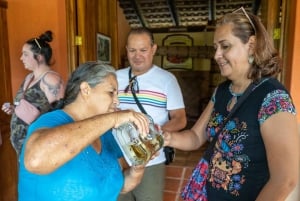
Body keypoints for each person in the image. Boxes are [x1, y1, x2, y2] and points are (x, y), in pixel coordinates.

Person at [163, 7, 299, 201]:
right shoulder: (222, 91)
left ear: (251, 45)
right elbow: (195, 136)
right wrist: (165, 138)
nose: (217, 55)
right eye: (215, 48)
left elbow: (285, 179)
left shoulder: (272, 97)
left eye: (225, 46)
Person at [18, 61, 152, 201]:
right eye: (111, 93)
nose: (117, 101)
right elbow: (35, 160)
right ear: (86, 89)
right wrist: (114, 118)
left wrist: (138, 167)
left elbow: (119, 185)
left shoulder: (106, 133)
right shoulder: (50, 122)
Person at [116, 27, 187, 201]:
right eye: (132, 50)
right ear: (126, 50)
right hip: (117, 159)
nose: (137, 55)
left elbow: (180, 118)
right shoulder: (115, 77)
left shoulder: (167, 80)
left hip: (150, 159)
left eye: (143, 50)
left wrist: (154, 136)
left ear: (153, 49)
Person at [1, 30, 65, 156]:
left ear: (39, 57)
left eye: (25, 54)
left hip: (40, 151)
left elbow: (60, 116)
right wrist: (15, 109)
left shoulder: (51, 80)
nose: (21, 58)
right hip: (24, 151)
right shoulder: (29, 78)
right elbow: (35, 106)